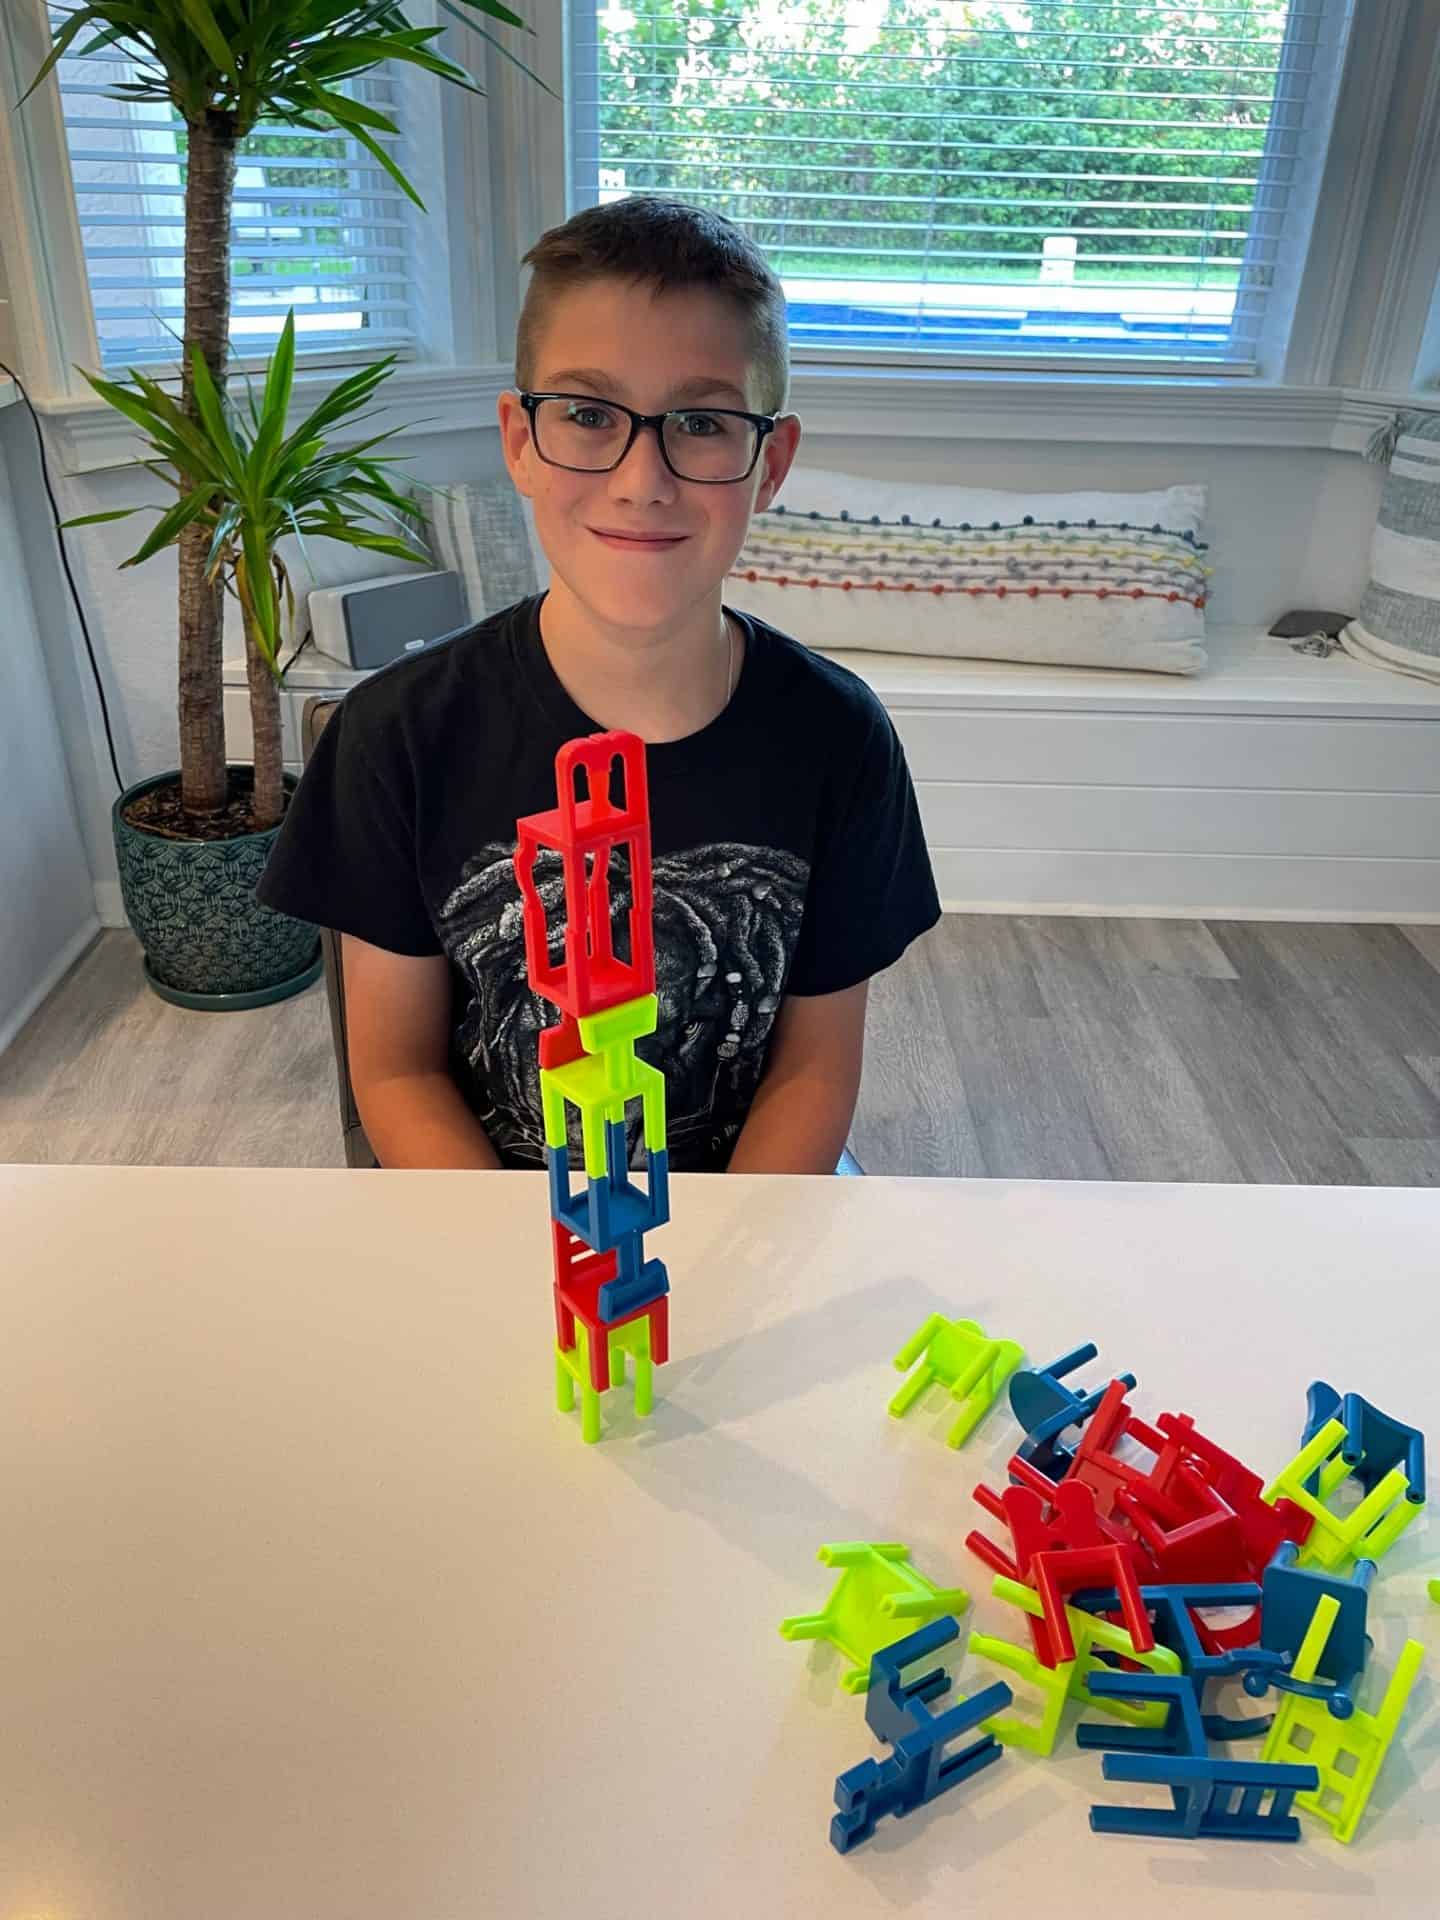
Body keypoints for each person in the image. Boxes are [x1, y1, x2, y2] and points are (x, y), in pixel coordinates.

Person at [257, 197, 940, 1173]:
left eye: (701, 423)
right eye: (586, 413)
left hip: (747, 1224)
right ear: (520, 440)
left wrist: (719, 1273)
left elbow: (816, 1072)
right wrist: (522, 1278)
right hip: (489, 1227)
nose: (640, 478)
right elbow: (398, 1074)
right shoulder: (394, 734)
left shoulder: (840, 739)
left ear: (770, 463)